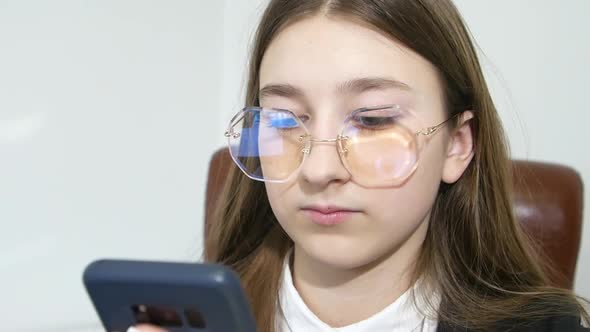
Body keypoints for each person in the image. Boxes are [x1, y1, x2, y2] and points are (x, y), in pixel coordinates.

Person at [133, 0, 589, 331]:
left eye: (372, 121)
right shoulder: (188, 317)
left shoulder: (546, 326)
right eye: (283, 120)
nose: (318, 169)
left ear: (457, 144)